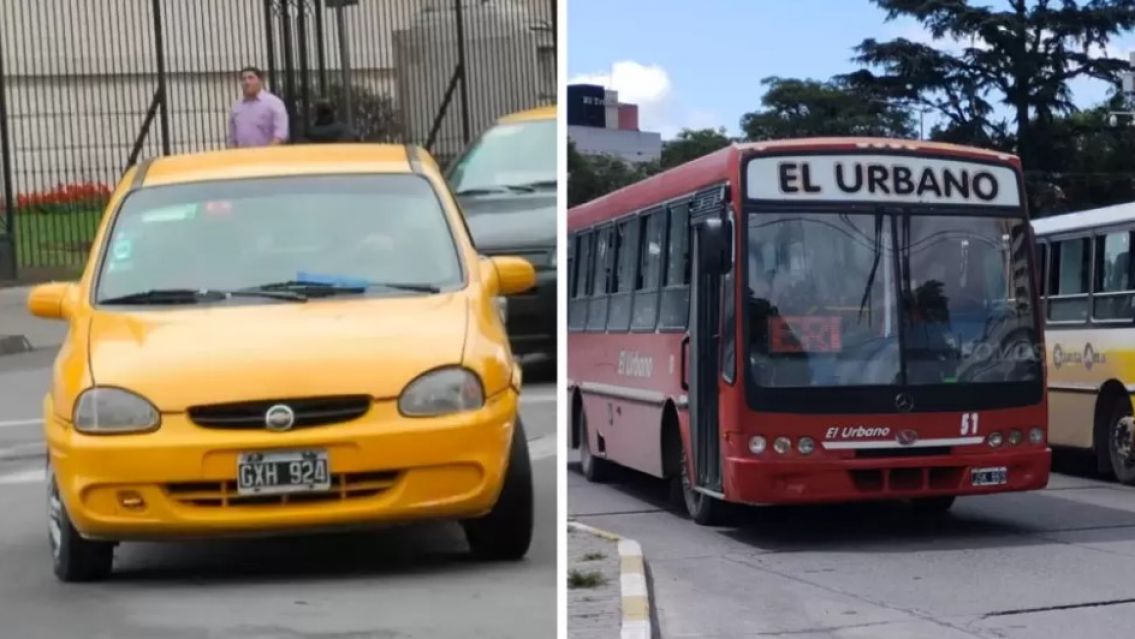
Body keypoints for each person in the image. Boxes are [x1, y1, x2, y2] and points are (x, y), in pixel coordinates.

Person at [228, 66, 289, 148]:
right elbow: (232, 137)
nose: (247, 82)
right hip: (242, 157)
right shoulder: (237, 107)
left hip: (268, 157)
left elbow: (281, 135)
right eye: (243, 79)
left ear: (260, 81)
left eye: (251, 78)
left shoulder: (274, 103)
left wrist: (264, 154)